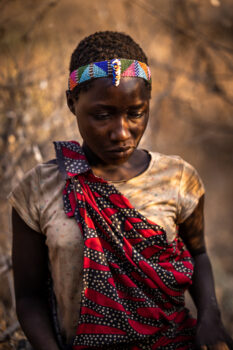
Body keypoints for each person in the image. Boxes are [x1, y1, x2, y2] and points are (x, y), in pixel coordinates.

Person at [9, 31, 233, 350]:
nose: (121, 132)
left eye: (136, 113)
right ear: (71, 102)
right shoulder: (37, 189)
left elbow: (198, 254)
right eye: (102, 116)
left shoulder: (178, 178)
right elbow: (29, 298)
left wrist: (210, 317)